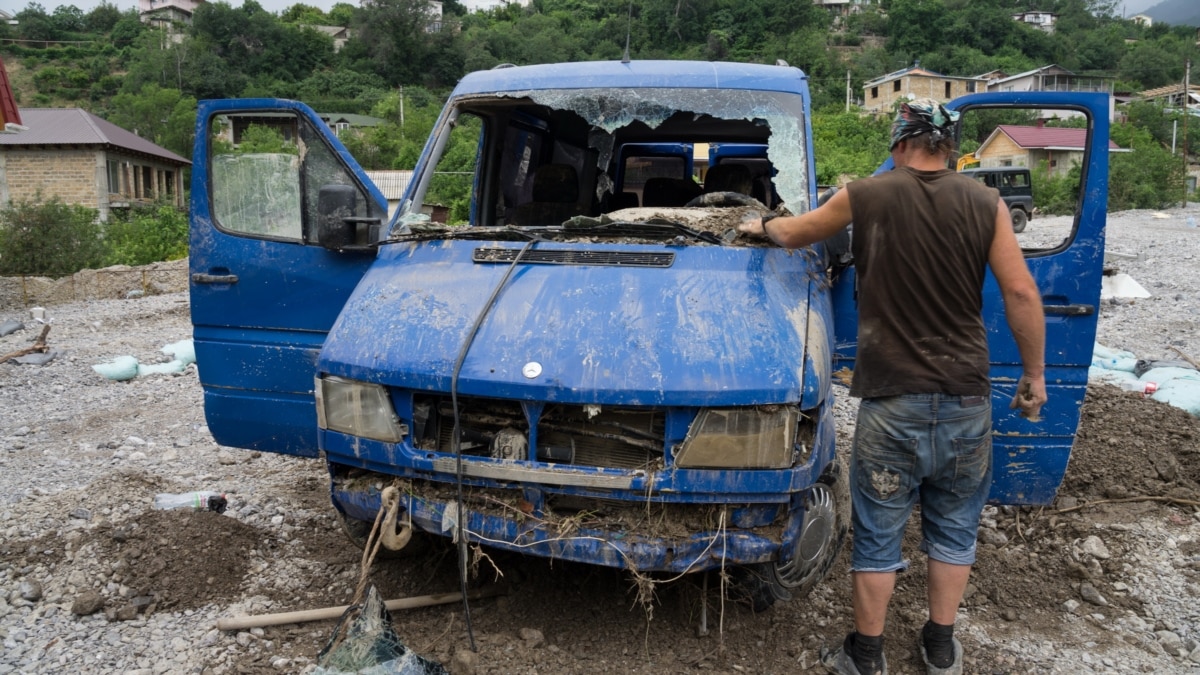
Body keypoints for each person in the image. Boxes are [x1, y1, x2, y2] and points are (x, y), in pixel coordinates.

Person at [738, 99, 1047, 675]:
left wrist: (760, 224)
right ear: (951, 148)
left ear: (899, 142)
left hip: (892, 404)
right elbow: (1023, 293)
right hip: (965, 401)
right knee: (954, 531)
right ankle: (939, 648)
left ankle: (867, 655)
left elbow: (795, 234)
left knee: (879, 534)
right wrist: (1034, 375)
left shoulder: (867, 194)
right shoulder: (987, 203)